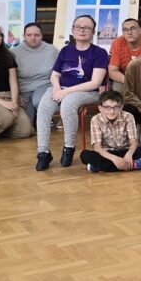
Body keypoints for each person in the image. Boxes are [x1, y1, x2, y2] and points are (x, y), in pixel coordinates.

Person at [35, 15, 109, 171]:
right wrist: (57, 88)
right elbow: (55, 75)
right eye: (78, 27)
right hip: (61, 88)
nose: (82, 30)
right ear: (72, 30)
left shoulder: (99, 53)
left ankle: (69, 147)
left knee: (68, 103)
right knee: (44, 107)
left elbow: (95, 83)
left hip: (88, 91)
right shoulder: (65, 50)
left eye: (86, 28)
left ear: (93, 32)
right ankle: (43, 152)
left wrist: (65, 92)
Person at [81, 90, 141, 173]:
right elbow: (97, 147)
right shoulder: (95, 119)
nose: (112, 111)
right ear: (100, 108)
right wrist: (115, 159)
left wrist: (129, 154)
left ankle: (99, 167)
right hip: (107, 153)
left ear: (121, 107)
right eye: (107, 108)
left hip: (125, 151)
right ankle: (133, 165)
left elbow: (134, 141)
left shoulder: (128, 116)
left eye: (116, 107)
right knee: (84, 155)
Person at [14, 22, 57, 127]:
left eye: (36, 35)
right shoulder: (14, 52)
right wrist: (16, 96)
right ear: (24, 36)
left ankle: (47, 119)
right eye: (29, 35)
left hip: (44, 85)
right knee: (26, 125)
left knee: (39, 101)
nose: (33, 38)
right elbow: (11, 78)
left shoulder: (52, 50)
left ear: (42, 36)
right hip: (23, 88)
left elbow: (59, 72)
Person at [107, 18, 141, 91]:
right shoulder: (117, 42)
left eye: (133, 28)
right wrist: (129, 81)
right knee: (118, 90)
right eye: (125, 30)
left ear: (140, 30)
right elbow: (112, 71)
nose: (129, 32)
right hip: (123, 77)